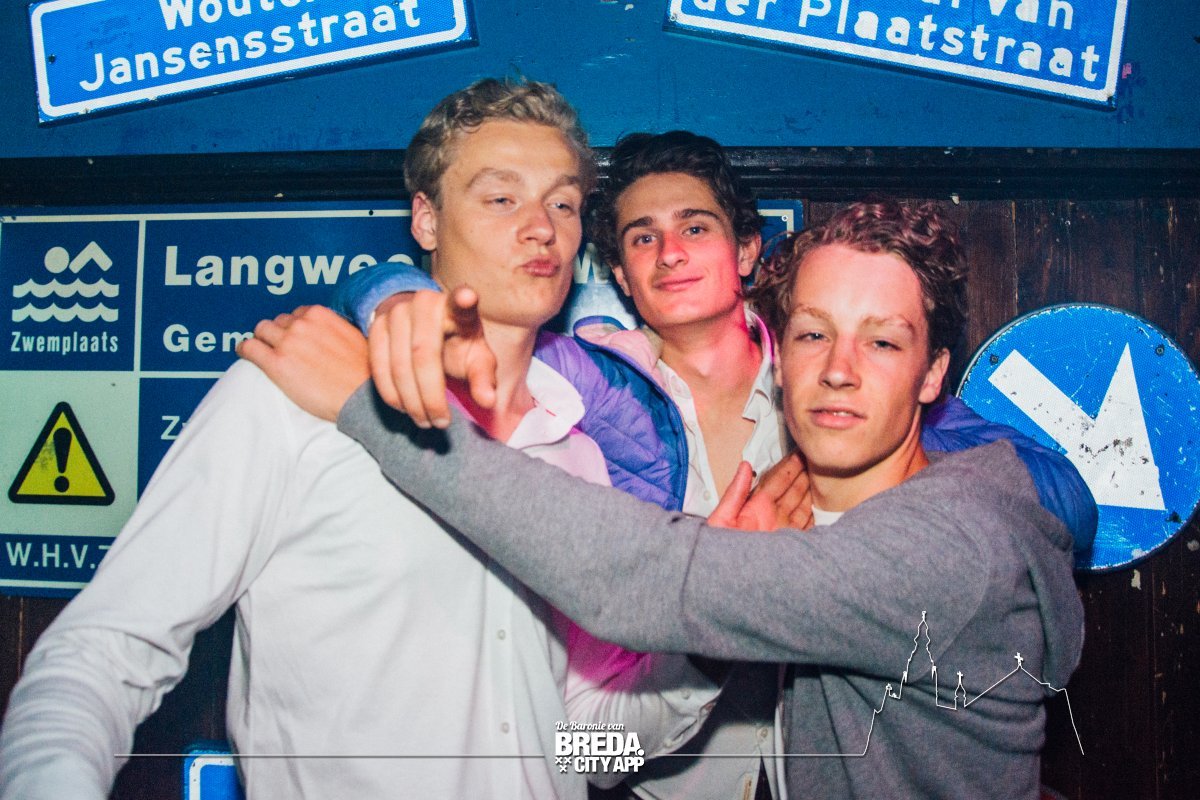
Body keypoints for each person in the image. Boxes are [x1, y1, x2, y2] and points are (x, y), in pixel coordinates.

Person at [0, 79, 718, 800]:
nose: (541, 228)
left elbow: (580, 745)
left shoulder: (578, 453)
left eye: (562, 203)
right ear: (426, 220)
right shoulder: (294, 399)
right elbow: (101, 654)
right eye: (502, 198)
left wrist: (704, 647)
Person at [320, 133, 1095, 798]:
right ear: (619, 275)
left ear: (746, 251)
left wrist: (967, 542)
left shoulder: (841, 392)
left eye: (695, 226)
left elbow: (1049, 497)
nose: (670, 253)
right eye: (641, 238)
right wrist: (389, 292)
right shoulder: (580, 393)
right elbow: (584, 743)